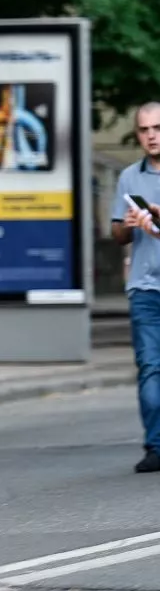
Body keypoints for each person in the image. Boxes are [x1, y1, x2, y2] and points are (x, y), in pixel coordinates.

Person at [110, 101, 160, 473]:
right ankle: (156, 447)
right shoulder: (130, 176)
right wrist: (128, 223)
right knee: (150, 368)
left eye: (157, 128)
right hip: (145, 288)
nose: (151, 136)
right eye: (144, 130)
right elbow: (117, 236)